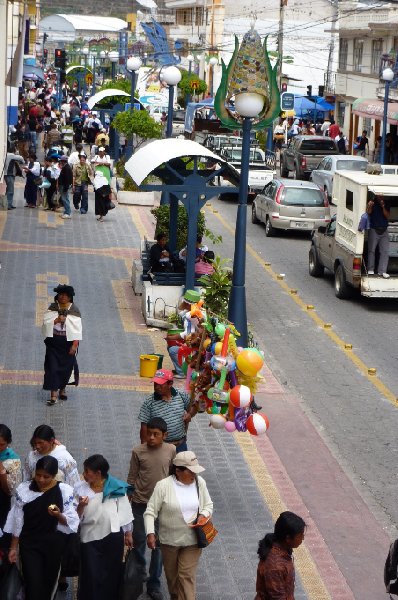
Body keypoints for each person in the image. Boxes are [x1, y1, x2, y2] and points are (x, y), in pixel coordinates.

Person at [5, 455, 79, 600]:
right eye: (38, 475)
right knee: (32, 583)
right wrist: (14, 547)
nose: (41, 480)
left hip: (53, 545)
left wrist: (58, 515)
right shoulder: (24, 490)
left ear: (54, 476)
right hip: (30, 544)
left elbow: (71, 522)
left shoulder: (64, 491)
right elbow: (17, 519)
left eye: (46, 477)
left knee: (48, 583)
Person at [144, 451, 213, 600]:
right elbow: (150, 512)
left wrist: (203, 515)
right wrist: (150, 533)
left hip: (193, 540)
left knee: (186, 576)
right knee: (173, 580)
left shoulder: (199, 483)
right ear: (178, 470)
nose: (194, 475)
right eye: (191, 471)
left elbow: (208, 505)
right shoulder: (163, 486)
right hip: (169, 542)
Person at [127, 417, 176, 600]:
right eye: (149, 433)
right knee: (138, 543)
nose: (151, 438)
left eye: (156, 434)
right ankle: (137, 579)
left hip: (162, 507)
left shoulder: (171, 449)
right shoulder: (137, 451)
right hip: (140, 505)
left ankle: (154, 584)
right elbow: (132, 477)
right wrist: (128, 502)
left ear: (165, 435)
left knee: (160, 546)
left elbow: (173, 474)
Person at [75, 454, 133, 600]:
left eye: (87, 471)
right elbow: (75, 518)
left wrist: (128, 534)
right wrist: (81, 506)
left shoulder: (116, 488)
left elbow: (124, 512)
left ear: (98, 473)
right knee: (90, 574)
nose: (84, 474)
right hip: (89, 537)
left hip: (112, 537)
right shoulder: (79, 489)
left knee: (110, 573)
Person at [138, 369, 198, 453]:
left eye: (160, 384)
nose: (156, 387)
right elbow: (143, 428)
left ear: (170, 384)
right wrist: (144, 451)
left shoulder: (181, 395)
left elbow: (193, 407)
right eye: (155, 384)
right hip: (159, 448)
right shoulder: (149, 402)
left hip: (180, 446)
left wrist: (190, 414)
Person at [42, 284, 82, 405]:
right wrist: (57, 320)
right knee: (52, 369)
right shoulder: (52, 308)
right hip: (54, 344)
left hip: (67, 344)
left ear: (70, 298)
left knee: (66, 369)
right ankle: (53, 395)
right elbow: (46, 324)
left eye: (65, 295)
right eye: (61, 295)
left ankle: (62, 389)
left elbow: (77, 330)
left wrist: (74, 345)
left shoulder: (74, 311)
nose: (63, 297)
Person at [255, 511, 306, 600]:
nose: (303, 538)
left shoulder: (282, 549)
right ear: (288, 538)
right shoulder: (275, 566)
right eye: (300, 535)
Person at [24, 424, 80, 489]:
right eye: (35, 443)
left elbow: (73, 483)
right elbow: (26, 479)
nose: (37, 446)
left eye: (40, 443)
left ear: (51, 441)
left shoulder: (65, 458)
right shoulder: (31, 456)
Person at [166, 289, 204, 378]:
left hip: (195, 344)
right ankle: (181, 368)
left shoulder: (192, 315)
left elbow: (188, 333)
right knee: (171, 347)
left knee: (173, 350)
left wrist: (172, 337)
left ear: (188, 304)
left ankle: (182, 372)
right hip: (192, 341)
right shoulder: (190, 313)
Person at [0, 425, 22, 554]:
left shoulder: (12, 460)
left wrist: (2, 473)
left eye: (1, 445)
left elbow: (9, 490)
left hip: (3, 504)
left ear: (8, 443)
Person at [366, 191, 390, 278]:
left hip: (384, 229)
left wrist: (383, 206)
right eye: (379, 195)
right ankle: (371, 269)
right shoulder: (373, 202)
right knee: (371, 250)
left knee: (385, 251)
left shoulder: (386, 203)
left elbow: (387, 216)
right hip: (374, 229)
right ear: (376, 195)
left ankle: (382, 271)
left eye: (382, 195)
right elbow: (368, 212)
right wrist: (369, 206)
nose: (380, 197)